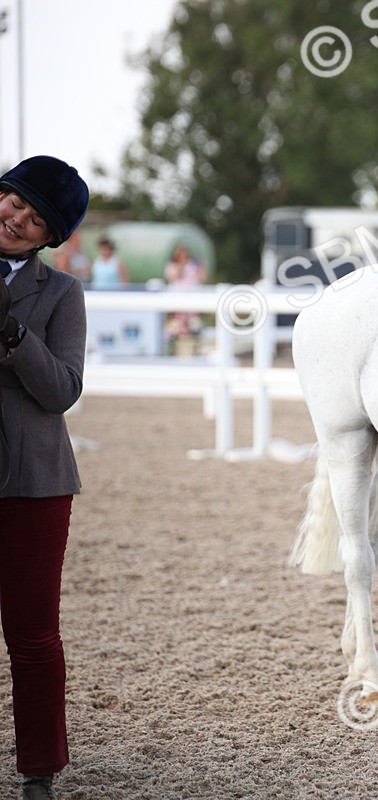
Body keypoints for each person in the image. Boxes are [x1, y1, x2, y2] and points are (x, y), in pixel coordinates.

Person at [0, 155, 90, 800]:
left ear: (47, 240)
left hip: (33, 481)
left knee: (32, 635)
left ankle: (39, 772)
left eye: (34, 221)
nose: (17, 220)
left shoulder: (62, 294)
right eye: (14, 203)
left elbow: (62, 390)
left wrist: (12, 333)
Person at [163, 244, 207, 342]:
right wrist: (182, 266)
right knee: (176, 324)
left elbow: (203, 279)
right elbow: (173, 277)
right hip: (177, 299)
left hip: (192, 300)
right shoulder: (172, 265)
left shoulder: (193, 266)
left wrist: (201, 267)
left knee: (193, 323)